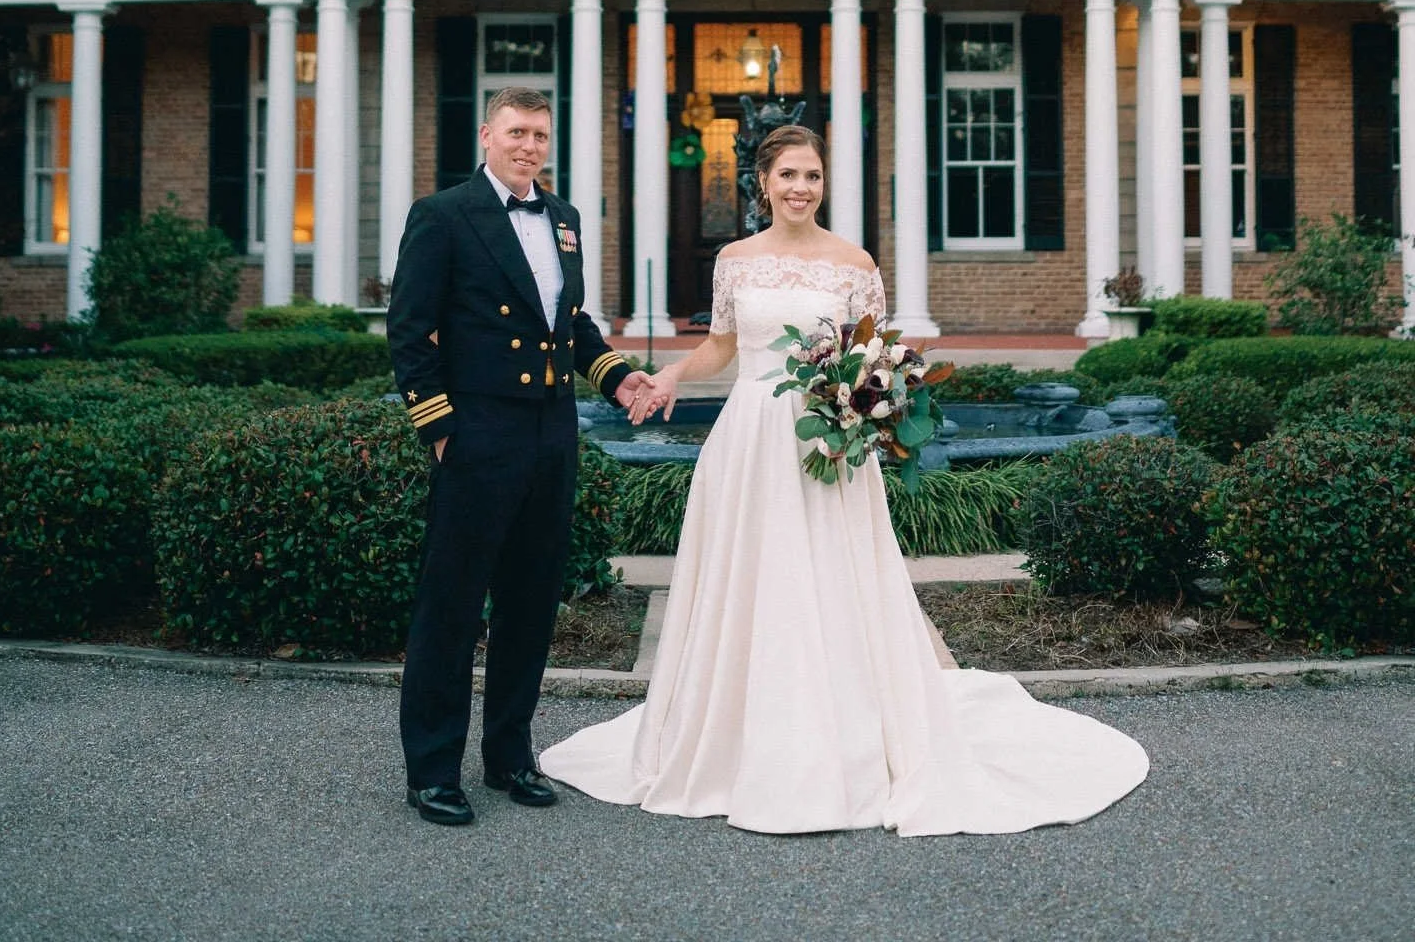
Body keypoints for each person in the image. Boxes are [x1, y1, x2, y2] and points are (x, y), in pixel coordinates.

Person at [542, 124, 1149, 836]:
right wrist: (672, 373)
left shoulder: (854, 263)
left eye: (813, 176)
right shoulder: (735, 260)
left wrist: (872, 410)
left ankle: (845, 735)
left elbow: (875, 359)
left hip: (829, 444)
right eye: (788, 175)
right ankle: (741, 732)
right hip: (749, 439)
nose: (801, 188)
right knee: (755, 578)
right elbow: (722, 347)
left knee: (830, 576)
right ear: (762, 183)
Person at [386, 86, 650, 827]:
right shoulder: (443, 216)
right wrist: (439, 429)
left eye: (539, 134)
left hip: (550, 434)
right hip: (478, 435)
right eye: (517, 132)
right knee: (451, 606)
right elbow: (409, 332)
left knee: (531, 605)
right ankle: (433, 770)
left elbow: (569, 325)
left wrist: (617, 375)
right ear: (486, 135)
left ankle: (509, 757)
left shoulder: (562, 219)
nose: (529, 145)